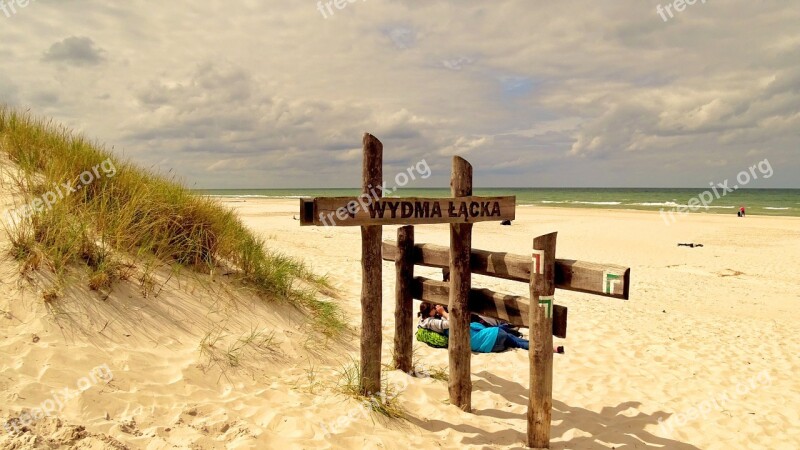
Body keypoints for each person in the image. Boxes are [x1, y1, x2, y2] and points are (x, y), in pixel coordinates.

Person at [418, 302, 562, 353]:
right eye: (433, 308)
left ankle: (546, 346)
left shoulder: (426, 323)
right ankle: (547, 347)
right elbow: (452, 323)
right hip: (493, 338)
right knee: (514, 339)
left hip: (487, 345)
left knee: (512, 338)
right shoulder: (438, 324)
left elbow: (424, 321)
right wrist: (444, 313)